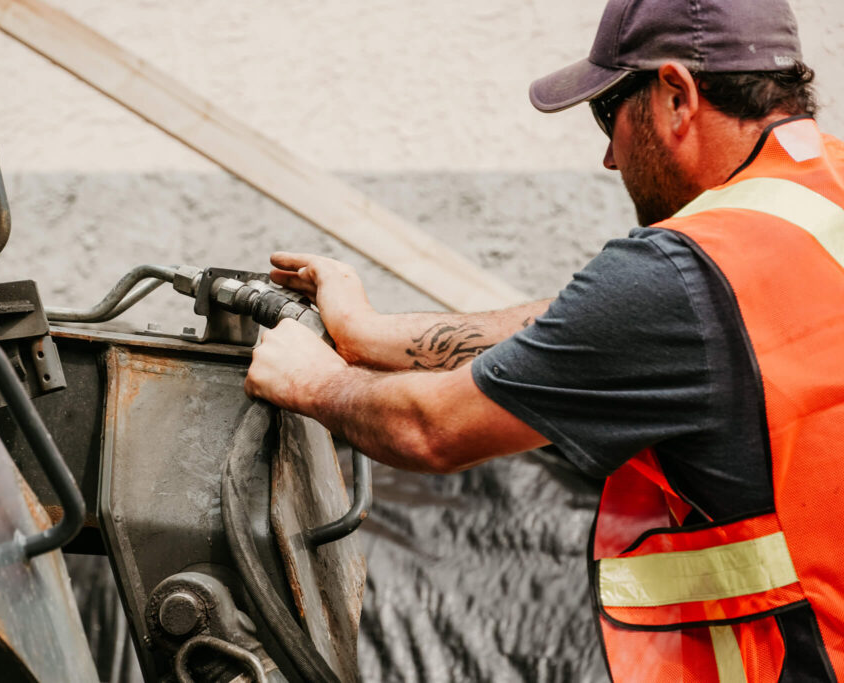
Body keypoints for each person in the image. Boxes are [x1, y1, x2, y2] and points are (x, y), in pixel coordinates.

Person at [245, 0, 844, 678]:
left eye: (609, 110)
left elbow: (429, 430)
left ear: (676, 94)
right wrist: (368, 332)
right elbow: (589, 329)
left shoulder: (681, 275)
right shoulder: (817, 199)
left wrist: (314, 381)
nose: (610, 156)